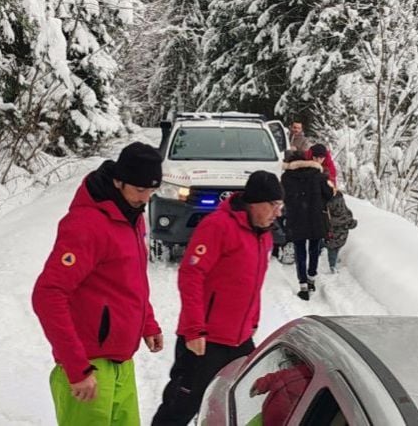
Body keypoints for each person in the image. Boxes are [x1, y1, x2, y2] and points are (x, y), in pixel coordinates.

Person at [32, 142, 165, 426]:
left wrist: (147, 323)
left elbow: (129, 279)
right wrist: (76, 367)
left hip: (122, 364)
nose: (145, 199)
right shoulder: (86, 224)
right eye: (140, 190)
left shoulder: (132, 218)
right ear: (118, 181)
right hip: (89, 366)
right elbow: (48, 294)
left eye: (152, 191)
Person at [152, 170, 284, 426]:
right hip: (205, 339)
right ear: (255, 202)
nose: (278, 212)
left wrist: (253, 321)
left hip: (240, 339)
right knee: (181, 406)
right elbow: (191, 275)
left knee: (239, 402)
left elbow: (251, 284)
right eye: (274, 205)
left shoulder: (263, 235)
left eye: (280, 205)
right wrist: (193, 329)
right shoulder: (218, 226)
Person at [281, 151, 334, 300]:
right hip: (316, 217)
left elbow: (282, 197)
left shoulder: (286, 177)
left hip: (296, 218)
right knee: (314, 249)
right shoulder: (318, 175)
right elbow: (329, 194)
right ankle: (311, 277)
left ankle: (303, 285)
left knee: (300, 251)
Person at [325, 191, 358, 273]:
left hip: (331, 232)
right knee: (336, 247)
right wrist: (352, 222)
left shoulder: (327, 206)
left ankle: (332, 264)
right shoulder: (344, 209)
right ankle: (334, 262)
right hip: (342, 232)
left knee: (331, 248)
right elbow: (350, 219)